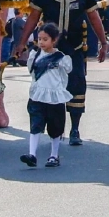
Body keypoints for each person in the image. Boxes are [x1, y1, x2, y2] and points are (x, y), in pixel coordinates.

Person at [17, 0, 109, 147]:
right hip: (49, 52)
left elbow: (94, 19)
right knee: (46, 86)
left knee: (76, 84)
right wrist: (21, 42)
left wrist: (103, 42)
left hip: (75, 48)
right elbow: (33, 19)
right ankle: (45, 128)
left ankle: (75, 129)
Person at [21, 23, 74, 168]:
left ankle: (54, 156)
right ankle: (32, 155)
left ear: (54, 40)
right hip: (38, 96)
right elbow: (32, 72)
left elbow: (67, 71)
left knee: (55, 127)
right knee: (35, 124)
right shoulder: (35, 55)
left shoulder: (61, 58)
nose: (41, 42)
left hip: (55, 97)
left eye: (45, 39)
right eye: (40, 39)